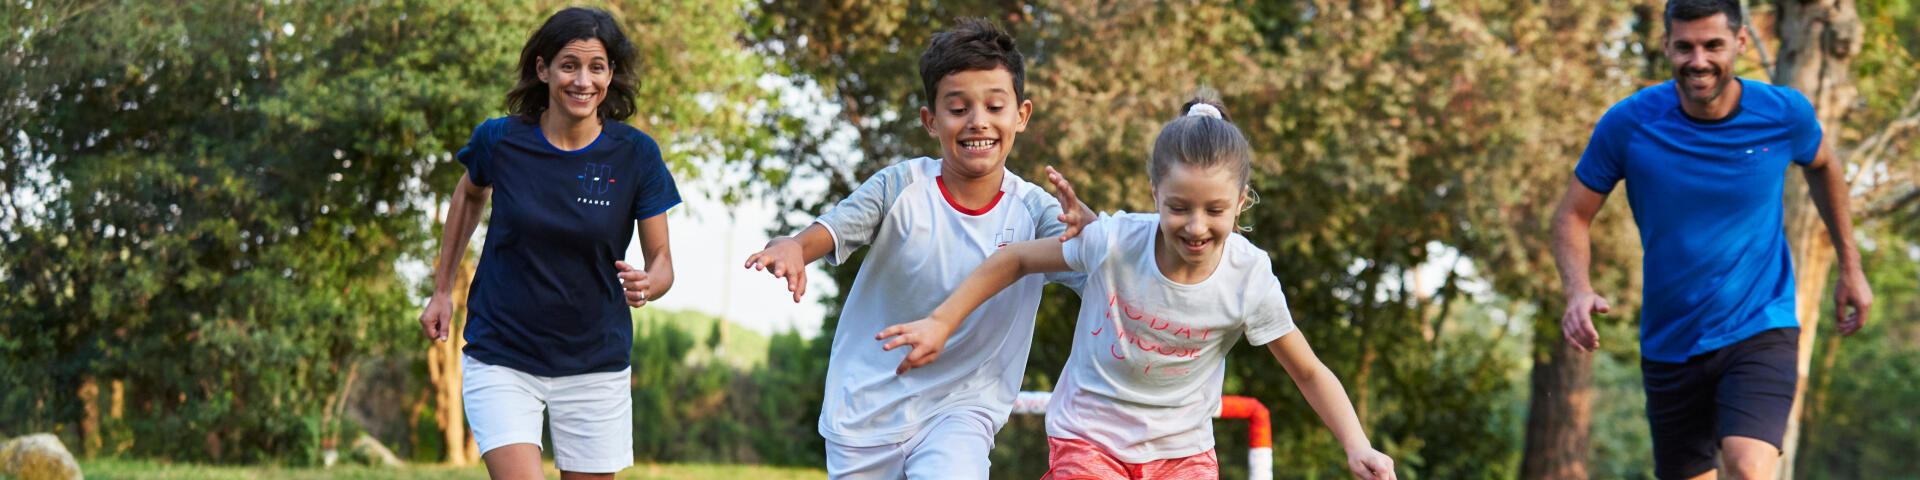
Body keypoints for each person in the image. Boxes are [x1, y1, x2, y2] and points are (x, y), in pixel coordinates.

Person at [879, 94, 1396, 480]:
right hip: (1089, 438)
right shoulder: (1114, 242)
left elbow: (1307, 370)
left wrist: (1357, 444)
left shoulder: (1249, 277)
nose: (1195, 226)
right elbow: (1015, 259)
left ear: (1240, 202)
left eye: (1215, 210)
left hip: (1183, 451)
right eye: (1177, 207)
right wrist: (943, 321)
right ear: (1155, 194)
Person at [742, 17, 1094, 480]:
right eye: (958, 108)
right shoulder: (901, 187)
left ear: (1021, 115)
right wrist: (791, 247)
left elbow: (1106, 269)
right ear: (931, 120)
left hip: (962, 409)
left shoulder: (1035, 211)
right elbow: (828, 230)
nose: (978, 121)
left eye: (994, 105)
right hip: (865, 409)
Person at [1550, 1, 1873, 478]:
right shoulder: (1630, 124)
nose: (1698, 60)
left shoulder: (1783, 114)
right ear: (1666, 46)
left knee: (1748, 465)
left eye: (1713, 45)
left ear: (1740, 43)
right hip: (1671, 340)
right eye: (1685, 47)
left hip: (1760, 326)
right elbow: (1571, 216)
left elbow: (1823, 165)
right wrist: (1578, 289)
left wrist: (1851, 265)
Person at [416, 7, 678, 480]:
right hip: (503, 355)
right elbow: (469, 194)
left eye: (597, 66)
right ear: (544, 69)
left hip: (596, 362)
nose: (583, 81)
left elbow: (661, 261)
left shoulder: (636, 154)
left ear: (610, 74)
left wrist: (649, 284)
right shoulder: (500, 141)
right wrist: (441, 289)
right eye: (569, 65)